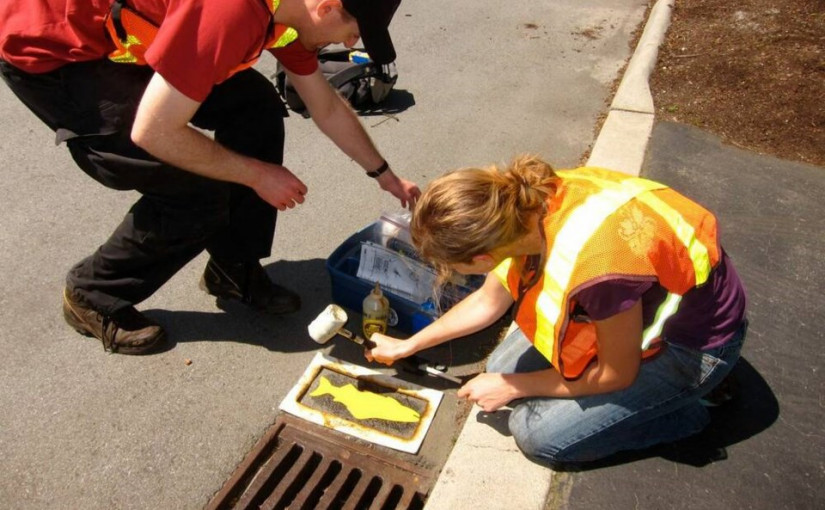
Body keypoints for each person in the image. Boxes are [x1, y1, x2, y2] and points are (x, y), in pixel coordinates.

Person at [0, 0, 420, 355]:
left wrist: (384, 175)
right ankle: (92, 293)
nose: (350, 44)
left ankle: (232, 268)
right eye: (353, 29)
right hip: (59, 52)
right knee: (195, 190)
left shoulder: (287, 19)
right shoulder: (231, 12)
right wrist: (257, 174)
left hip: (142, 35)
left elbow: (325, 105)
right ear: (326, 5)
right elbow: (154, 131)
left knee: (254, 104)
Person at [366, 155, 748, 469]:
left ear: (482, 257)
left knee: (538, 437)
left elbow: (616, 374)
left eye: (457, 267)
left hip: (694, 346)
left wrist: (514, 387)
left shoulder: (599, 270)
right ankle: (655, 396)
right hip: (637, 308)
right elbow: (488, 301)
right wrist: (407, 346)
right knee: (502, 363)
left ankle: (686, 408)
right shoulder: (521, 206)